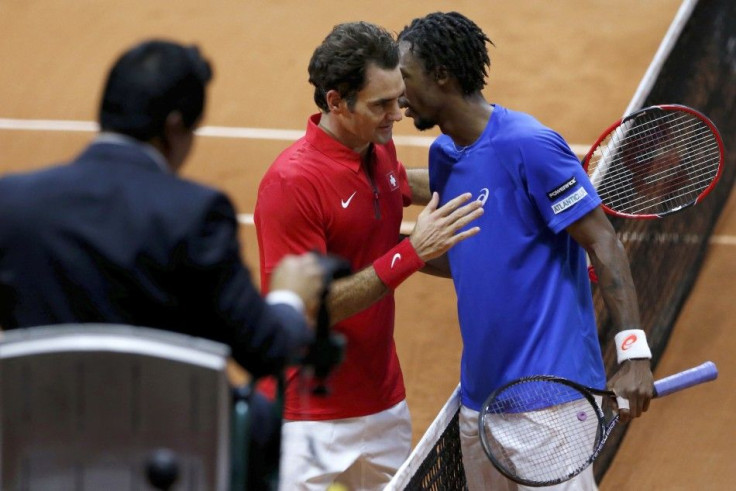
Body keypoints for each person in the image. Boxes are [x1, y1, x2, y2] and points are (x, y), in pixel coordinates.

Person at [0, 39, 326, 490]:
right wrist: (290, 297)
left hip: (33, 467)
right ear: (173, 127)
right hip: (166, 470)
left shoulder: (11, 205)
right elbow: (264, 348)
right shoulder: (193, 214)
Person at [396, 12, 655, 491]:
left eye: (405, 77)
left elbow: (603, 242)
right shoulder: (444, 157)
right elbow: (472, 261)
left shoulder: (529, 145)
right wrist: (392, 253)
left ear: (441, 76)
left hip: (551, 402)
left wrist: (634, 355)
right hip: (480, 402)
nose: (399, 94)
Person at [254, 21, 484, 491]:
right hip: (305, 417)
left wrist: (494, 180)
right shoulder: (292, 184)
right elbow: (309, 307)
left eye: (398, 98)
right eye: (380, 104)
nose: (396, 114)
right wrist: (411, 253)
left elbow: (399, 183)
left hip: (383, 404)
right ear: (336, 101)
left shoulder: (377, 148)